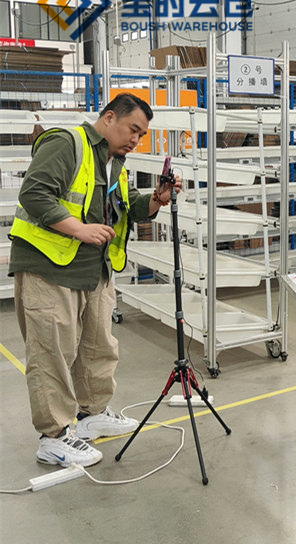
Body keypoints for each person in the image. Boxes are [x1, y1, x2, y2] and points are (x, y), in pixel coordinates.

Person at [9, 94, 182, 467]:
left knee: (98, 347)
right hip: (49, 267)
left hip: (95, 270)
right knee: (52, 353)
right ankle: (53, 437)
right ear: (109, 118)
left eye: (142, 135)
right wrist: (79, 229)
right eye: (133, 129)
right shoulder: (66, 143)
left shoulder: (114, 162)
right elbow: (34, 194)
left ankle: (92, 415)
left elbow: (129, 205)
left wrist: (157, 199)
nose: (136, 140)